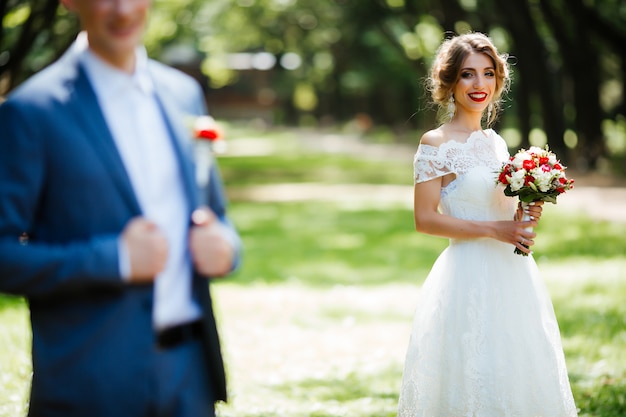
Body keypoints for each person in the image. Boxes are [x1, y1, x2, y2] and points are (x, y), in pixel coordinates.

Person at [0, 0, 241, 416]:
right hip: (90, 385)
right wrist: (114, 259)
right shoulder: (32, 112)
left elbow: (215, 214)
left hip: (190, 382)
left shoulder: (183, 95)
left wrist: (226, 247)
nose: (123, 10)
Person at [397, 33, 577, 416]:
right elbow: (425, 219)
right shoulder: (436, 143)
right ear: (449, 82)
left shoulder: (496, 143)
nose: (479, 85)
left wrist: (525, 213)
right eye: (467, 74)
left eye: (488, 73)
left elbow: (501, 210)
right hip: (465, 274)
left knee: (513, 366)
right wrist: (496, 230)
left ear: (498, 81)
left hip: (512, 274)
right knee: (470, 369)